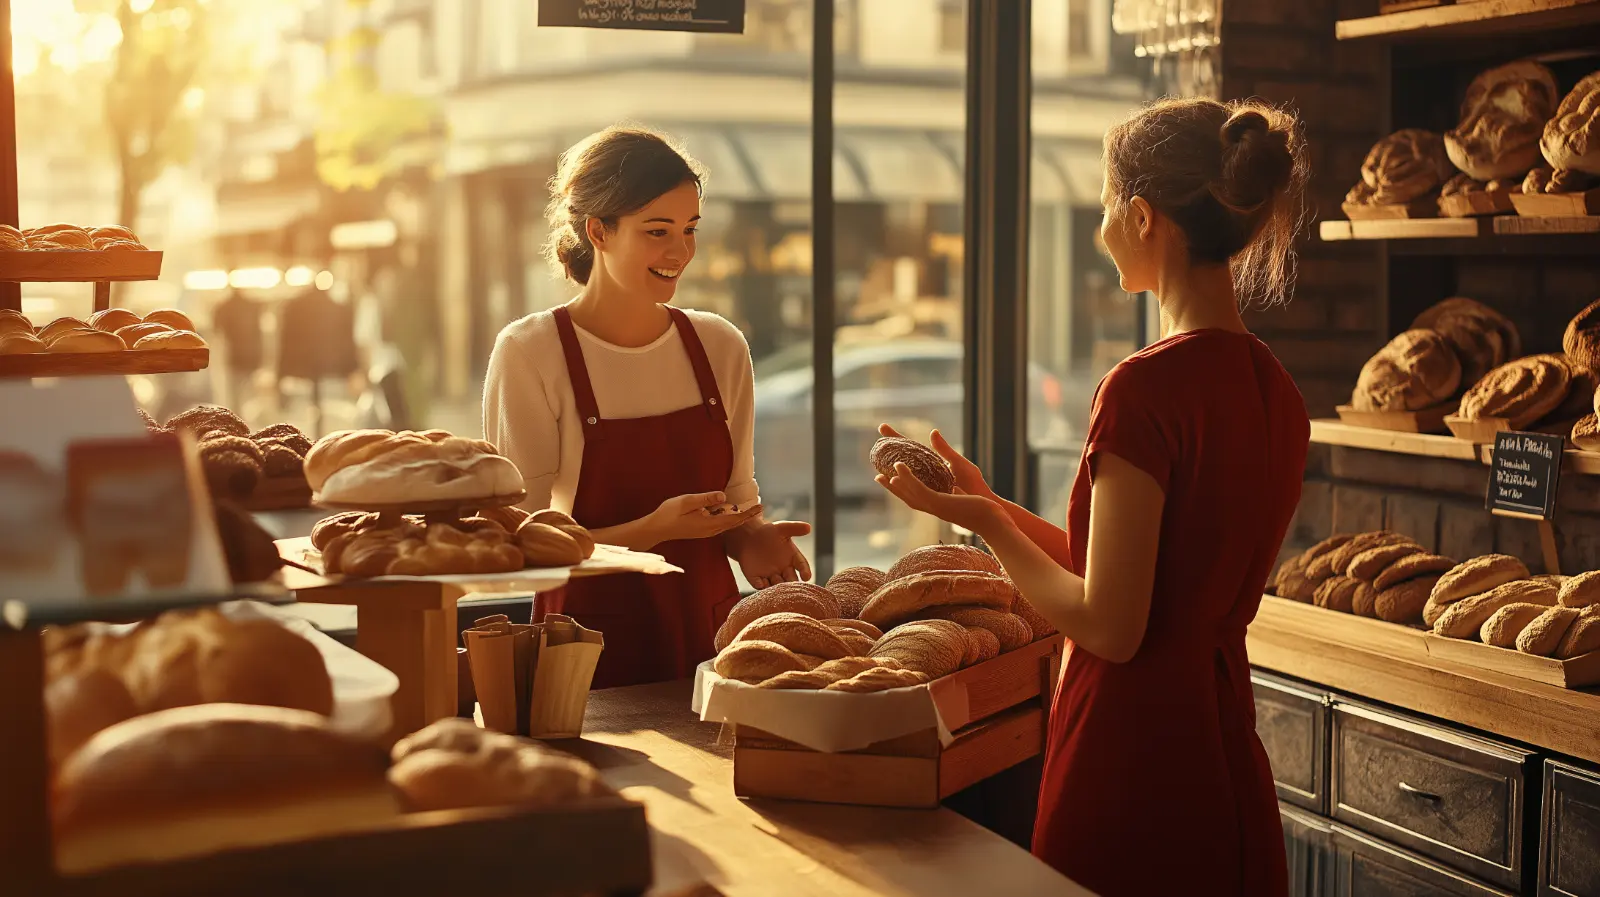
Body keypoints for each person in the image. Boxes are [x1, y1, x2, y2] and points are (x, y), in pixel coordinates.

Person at [876, 98, 1310, 897]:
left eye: (1108, 201)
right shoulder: (1277, 389)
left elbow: (1112, 624)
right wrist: (994, 506)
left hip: (1130, 750)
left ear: (1143, 217)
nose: (1101, 223)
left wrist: (984, 528)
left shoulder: (1144, 387)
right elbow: (1149, 578)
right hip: (1222, 747)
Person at [483, 126, 812, 689]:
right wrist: (651, 531)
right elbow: (523, 538)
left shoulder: (719, 346)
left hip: (713, 634)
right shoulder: (531, 351)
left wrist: (750, 536)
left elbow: (734, 502)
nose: (680, 252)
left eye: (690, 230)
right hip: (586, 640)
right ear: (598, 232)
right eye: (657, 231)